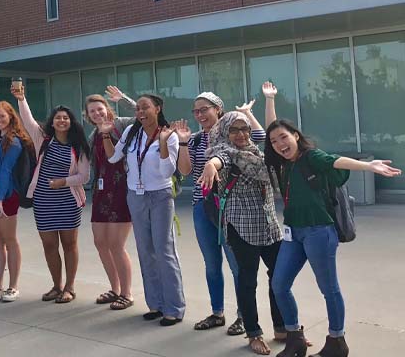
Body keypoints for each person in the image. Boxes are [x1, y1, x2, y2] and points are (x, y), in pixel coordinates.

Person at [264, 117, 402, 357]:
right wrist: (269, 101)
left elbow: (336, 161)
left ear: (296, 135)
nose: (279, 144)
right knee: (279, 284)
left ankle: (337, 341)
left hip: (318, 232)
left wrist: (369, 166)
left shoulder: (311, 157)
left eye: (284, 137)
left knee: (328, 288)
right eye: (274, 141)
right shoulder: (285, 164)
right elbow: (269, 127)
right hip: (293, 233)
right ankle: (294, 337)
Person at [175, 90, 271, 335]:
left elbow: (262, 136)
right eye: (196, 111)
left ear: (219, 109)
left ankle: (243, 315)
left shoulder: (234, 132)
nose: (200, 114)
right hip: (202, 205)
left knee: (237, 263)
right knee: (211, 263)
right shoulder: (195, 139)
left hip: (231, 208)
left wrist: (248, 113)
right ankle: (217, 312)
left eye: (204, 109)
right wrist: (184, 142)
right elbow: (186, 171)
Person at [198, 111, 283, 355]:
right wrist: (210, 166)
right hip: (241, 226)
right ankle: (254, 333)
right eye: (234, 130)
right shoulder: (224, 151)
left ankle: (282, 327)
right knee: (247, 281)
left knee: (279, 279)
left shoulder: (257, 153)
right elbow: (218, 159)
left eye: (244, 129)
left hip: (269, 225)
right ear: (225, 131)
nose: (241, 134)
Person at [107, 94, 185, 325]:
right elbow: (113, 157)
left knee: (164, 251)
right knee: (145, 251)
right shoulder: (132, 132)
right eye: (138, 108)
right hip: (136, 197)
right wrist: (104, 133)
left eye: (145, 107)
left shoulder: (168, 135)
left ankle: (174, 307)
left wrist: (161, 143)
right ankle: (156, 304)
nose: (140, 112)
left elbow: (165, 172)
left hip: (160, 197)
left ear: (157, 109)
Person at [13, 85, 90, 304]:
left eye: (66, 118)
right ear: (52, 122)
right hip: (44, 201)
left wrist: (63, 182)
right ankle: (56, 286)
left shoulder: (79, 146)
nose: (62, 121)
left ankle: (69, 286)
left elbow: (84, 176)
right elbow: (27, 120)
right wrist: (21, 99)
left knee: (69, 245)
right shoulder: (43, 140)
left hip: (68, 201)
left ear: (71, 121)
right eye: (58, 118)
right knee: (49, 245)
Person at [84, 93, 135, 310]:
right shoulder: (93, 135)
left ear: (107, 108)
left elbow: (141, 116)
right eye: (92, 111)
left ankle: (127, 293)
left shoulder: (120, 125)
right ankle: (114, 289)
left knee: (116, 245)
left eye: (100, 108)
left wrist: (123, 99)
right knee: (100, 243)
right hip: (101, 191)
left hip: (121, 190)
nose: (97, 113)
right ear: (87, 116)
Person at [0, 100, 31, 302]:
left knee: (9, 240)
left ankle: (12, 286)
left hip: (5, 194)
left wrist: (0, 199)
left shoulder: (14, 141)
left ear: (11, 116)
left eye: (3, 116)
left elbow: (6, 170)